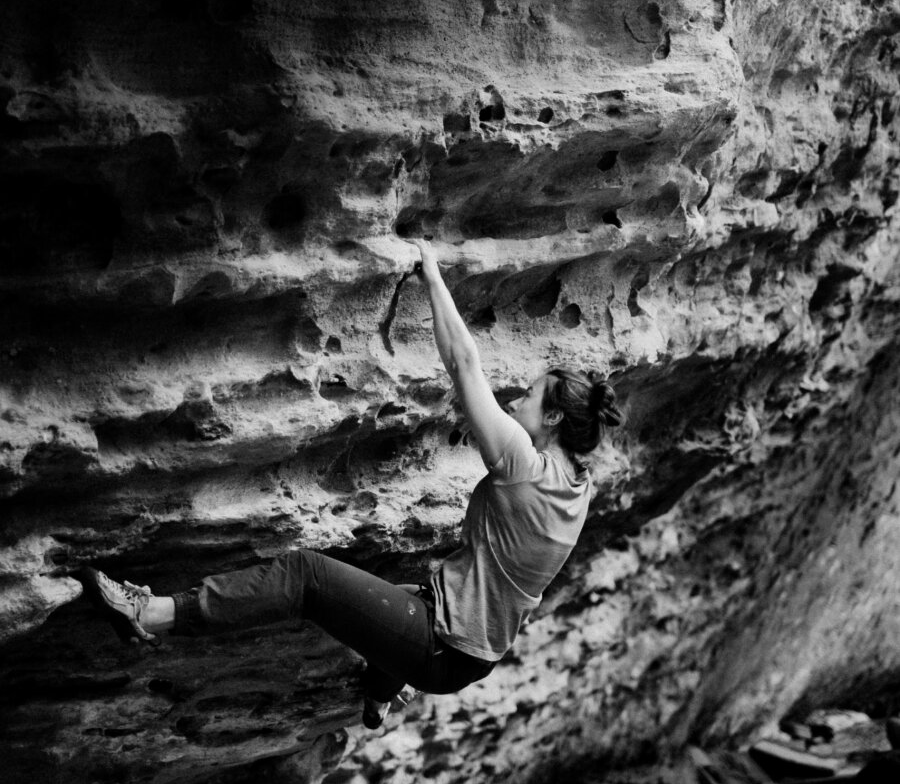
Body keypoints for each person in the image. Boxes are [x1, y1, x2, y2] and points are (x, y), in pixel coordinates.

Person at [78, 241, 623, 729]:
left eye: (529, 396)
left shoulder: (524, 465)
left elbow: (463, 364)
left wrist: (433, 276)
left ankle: (152, 614)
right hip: (474, 653)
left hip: (441, 646)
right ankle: (380, 699)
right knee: (401, 597)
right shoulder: (578, 487)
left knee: (307, 575)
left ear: (554, 419)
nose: (516, 401)